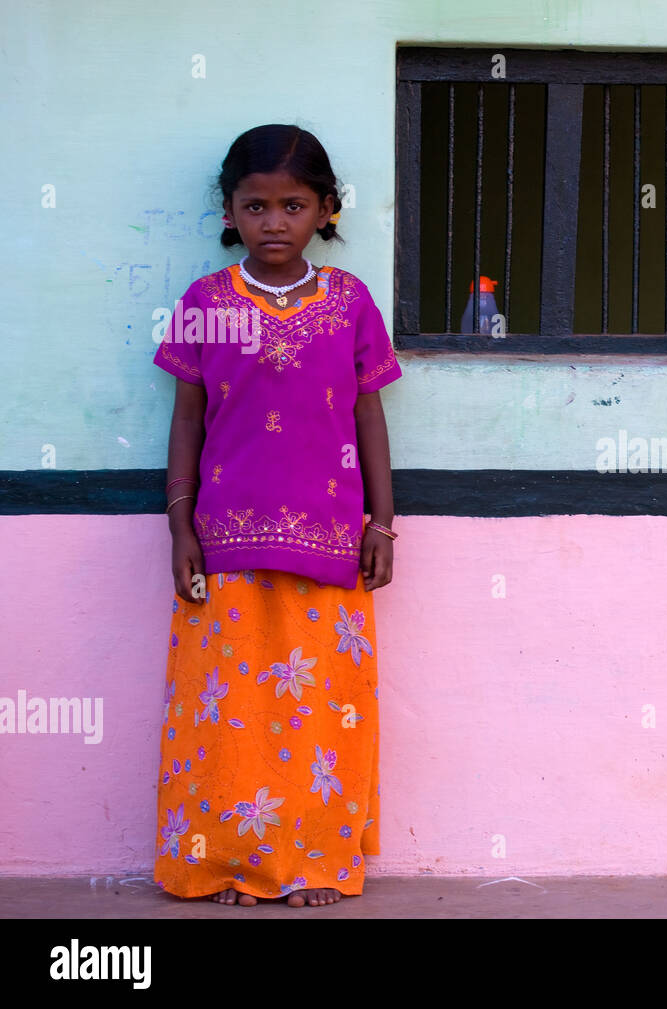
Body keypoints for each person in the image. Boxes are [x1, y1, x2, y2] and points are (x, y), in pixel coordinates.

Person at [152, 124, 401, 907]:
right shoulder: (206, 303)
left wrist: (383, 524)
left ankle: (312, 865)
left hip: (331, 542)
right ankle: (224, 860)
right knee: (230, 715)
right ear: (229, 211)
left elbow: (369, 418)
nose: (273, 222)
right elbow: (187, 418)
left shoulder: (351, 302)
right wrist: (179, 526)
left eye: (293, 205)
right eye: (255, 206)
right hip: (225, 543)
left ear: (326, 209)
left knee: (321, 716)